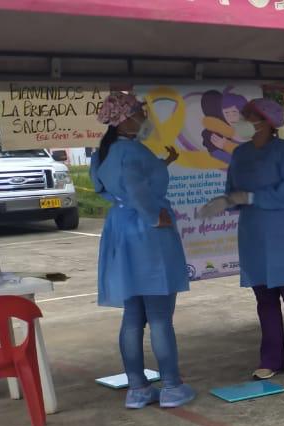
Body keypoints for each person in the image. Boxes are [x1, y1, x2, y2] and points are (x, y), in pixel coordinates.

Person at [198, 98, 284, 379]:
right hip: (254, 234)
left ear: (267, 121)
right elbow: (233, 190)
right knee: (265, 299)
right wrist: (224, 202)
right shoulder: (241, 154)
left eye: (248, 115)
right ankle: (271, 359)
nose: (242, 120)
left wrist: (250, 197)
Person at [90, 91, 196, 409]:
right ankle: (172, 387)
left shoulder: (104, 153)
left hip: (121, 229)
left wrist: (162, 164)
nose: (145, 118)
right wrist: (155, 215)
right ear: (126, 118)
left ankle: (137, 389)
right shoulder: (133, 152)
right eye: (139, 112)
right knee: (161, 316)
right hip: (146, 233)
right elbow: (137, 188)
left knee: (133, 317)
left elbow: (112, 186)